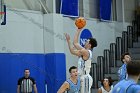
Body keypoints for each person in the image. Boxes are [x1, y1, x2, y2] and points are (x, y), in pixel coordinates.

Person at [65, 29, 97, 93]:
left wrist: (78, 30)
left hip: (85, 77)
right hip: (81, 77)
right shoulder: (84, 51)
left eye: (87, 41)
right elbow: (73, 48)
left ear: (89, 45)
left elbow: (74, 45)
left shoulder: (86, 52)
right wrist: (68, 41)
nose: (85, 42)